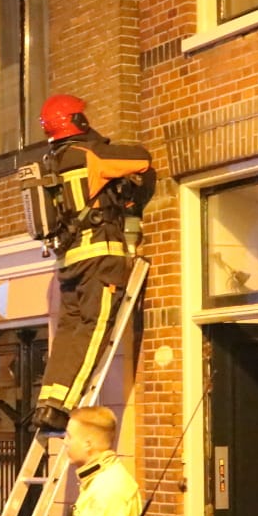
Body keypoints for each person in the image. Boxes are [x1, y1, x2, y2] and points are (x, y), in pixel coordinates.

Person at [27, 94, 155, 433]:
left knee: (69, 333)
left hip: (68, 261)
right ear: (78, 121)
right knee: (95, 328)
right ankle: (62, 408)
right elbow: (141, 159)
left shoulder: (50, 162)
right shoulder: (89, 154)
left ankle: (49, 400)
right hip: (99, 257)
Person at [65, 405, 142, 516]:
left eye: (69, 436)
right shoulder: (100, 479)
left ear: (88, 444)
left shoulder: (108, 489)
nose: (65, 442)